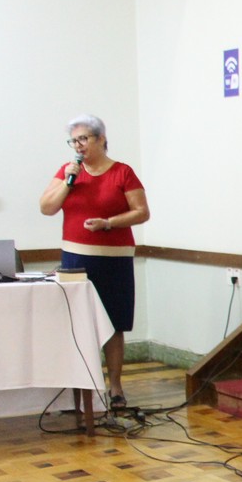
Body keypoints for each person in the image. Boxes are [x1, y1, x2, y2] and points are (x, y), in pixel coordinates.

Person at [39, 114, 150, 411]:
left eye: (84, 139)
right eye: (73, 141)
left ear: (101, 139)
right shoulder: (68, 172)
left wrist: (108, 223)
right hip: (75, 258)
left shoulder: (122, 172)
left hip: (114, 260)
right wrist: (68, 183)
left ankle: (115, 387)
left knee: (114, 324)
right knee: (77, 324)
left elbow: (141, 212)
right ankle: (83, 388)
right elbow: (46, 207)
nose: (78, 145)